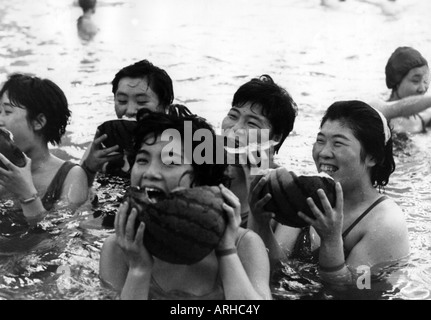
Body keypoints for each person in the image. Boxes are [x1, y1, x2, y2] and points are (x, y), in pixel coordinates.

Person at [99, 107, 271, 300]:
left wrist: (226, 251)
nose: (150, 172)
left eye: (170, 162)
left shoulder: (244, 245)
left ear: (201, 178)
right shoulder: (118, 248)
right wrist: (138, 269)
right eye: (142, 160)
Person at [248, 100, 410, 286]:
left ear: (372, 157)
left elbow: (357, 289)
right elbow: (279, 268)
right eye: (320, 140)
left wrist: (331, 240)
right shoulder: (307, 193)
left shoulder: (385, 224)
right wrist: (260, 222)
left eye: (338, 143)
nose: (323, 152)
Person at [0, 74, 88, 224]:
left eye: (7, 112)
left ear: (38, 122)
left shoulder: (70, 176)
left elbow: (60, 237)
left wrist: (26, 195)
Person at [80, 59, 174, 184]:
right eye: (122, 101)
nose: (129, 111)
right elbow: (76, 194)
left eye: (141, 102)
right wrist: (89, 168)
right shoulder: (102, 147)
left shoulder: (185, 144)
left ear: (165, 105)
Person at [221, 74, 297, 228]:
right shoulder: (203, 170)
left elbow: (279, 252)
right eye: (232, 115)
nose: (235, 128)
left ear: (275, 137)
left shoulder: (285, 191)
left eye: (252, 123)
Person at [369, 46, 431, 135]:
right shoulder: (377, 110)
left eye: (425, 81)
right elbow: (397, 109)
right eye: (415, 81)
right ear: (397, 82)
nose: (422, 88)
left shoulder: (422, 119)